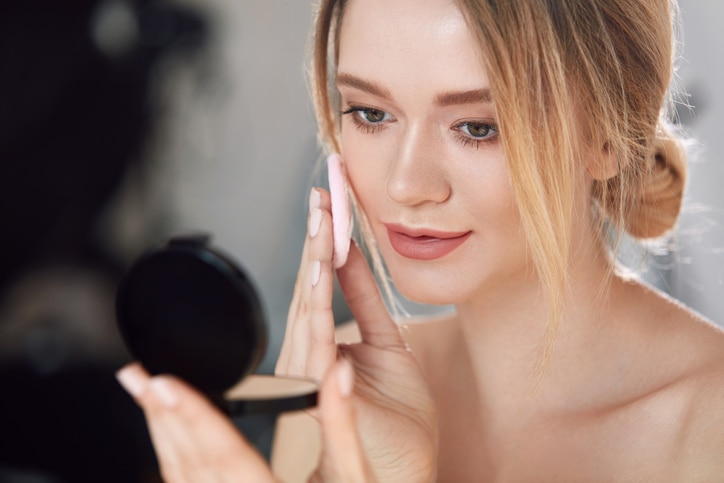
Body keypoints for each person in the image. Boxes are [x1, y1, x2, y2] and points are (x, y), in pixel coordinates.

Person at [117, 0, 724, 480]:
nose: (406, 184)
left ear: (607, 140)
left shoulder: (708, 427)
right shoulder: (341, 384)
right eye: (371, 114)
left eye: (477, 127)